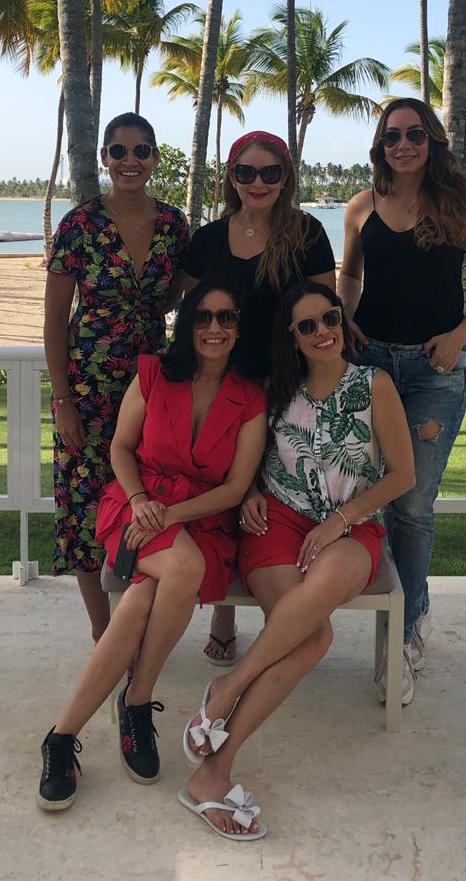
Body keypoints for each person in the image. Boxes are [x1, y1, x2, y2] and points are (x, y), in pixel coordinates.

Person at [178, 282, 415, 841]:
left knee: (327, 592)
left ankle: (226, 689)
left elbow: (403, 475)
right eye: (307, 325)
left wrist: (341, 519)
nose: (323, 332)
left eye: (329, 318)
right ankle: (213, 775)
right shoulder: (276, 390)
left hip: (352, 526)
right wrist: (254, 491)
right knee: (313, 639)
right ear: (292, 336)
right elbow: (252, 466)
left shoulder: (373, 385)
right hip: (275, 527)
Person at [37, 279, 267, 811]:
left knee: (143, 597)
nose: (215, 328)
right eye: (204, 317)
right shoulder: (153, 372)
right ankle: (136, 705)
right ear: (187, 324)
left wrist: (169, 514)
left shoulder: (251, 395)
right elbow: (120, 447)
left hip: (203, 521)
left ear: (238, 327)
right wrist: (142, 500)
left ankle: (62, 737)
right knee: (180, 567)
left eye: (226, 318)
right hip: (134, 505)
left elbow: (234, 488)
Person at [339, 98, 466, 703]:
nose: (401, 145)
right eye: (390, 136)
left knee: (412, 506)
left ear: (432, 141)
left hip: (435, 369)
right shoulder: (361, 206)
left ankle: (403, 634)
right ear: (379, 144)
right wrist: (346, 318)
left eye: (413, 134)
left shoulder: (463, 204)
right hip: (371, 365)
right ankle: (407, 610)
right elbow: (350, 276)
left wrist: (459, 336)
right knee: (370, 494)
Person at [181, 131, 336, 664]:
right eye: (246, 171)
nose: (258, 182)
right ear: (231, 176)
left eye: (271, 172)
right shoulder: (205, 240)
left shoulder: (308, 233)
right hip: (225, 387)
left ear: (286, 177)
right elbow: (189, 313)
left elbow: (324, 309)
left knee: (276, 497)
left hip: (290, 388)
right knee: (226, 491)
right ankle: (223, 611)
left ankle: (286, 602)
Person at [44, 113, 188, 642]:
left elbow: (174, 296)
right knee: (84, 504)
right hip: (87, 383)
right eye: (120, 150)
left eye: (142, 150)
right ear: (105, 157)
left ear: (155, 158)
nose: (131, 161)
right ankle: (104, 633)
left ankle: (137, 621)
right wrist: (62, 399)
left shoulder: (174, 225)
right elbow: (55, 317)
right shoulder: (79, 225)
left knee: (143, 497)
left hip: (152, 382)